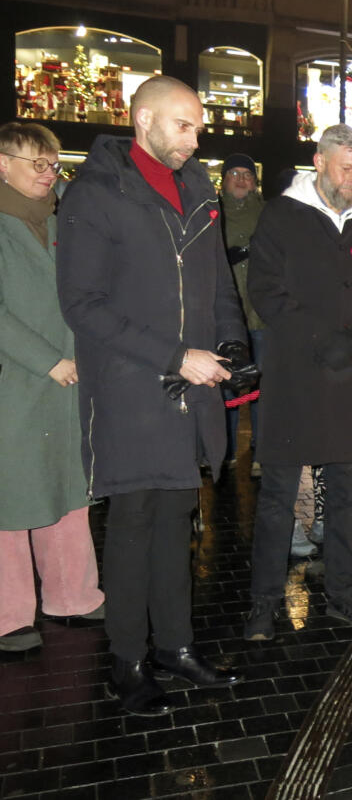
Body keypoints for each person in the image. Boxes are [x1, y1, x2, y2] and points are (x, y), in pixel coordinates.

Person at [57, 76, 245, 715]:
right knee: (134, 527)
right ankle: (127, 659)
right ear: (142, 120)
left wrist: (234, 345)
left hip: (189, 390)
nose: (197, 139)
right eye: (184, 125)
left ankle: (175, 645)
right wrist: (174, 357)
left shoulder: (198, 188)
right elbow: (82, 305)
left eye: (199, 126)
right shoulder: (96, 193)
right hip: (133, 390)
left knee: (177, 524)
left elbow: (218, 283)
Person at [243, 124, 352, 640]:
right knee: (277, 494)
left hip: (350, 375)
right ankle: (263, 602)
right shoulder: (281, 215)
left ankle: (341, 593)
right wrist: (319, 337)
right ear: (319, 160)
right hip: (296, 373)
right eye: (345, 167)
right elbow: (265, 290)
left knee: (344, 494)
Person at [0, 121, 105, 653]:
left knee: (68, 487)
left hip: (69, 377)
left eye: (53, 163)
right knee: (10, 498)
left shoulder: (64, 219)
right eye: (36, 163)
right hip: (15, 382)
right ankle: (9, 616)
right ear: (2, 164)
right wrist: (48, 361)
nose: (48, 173)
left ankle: (74, 595)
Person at [217, 153, 266, 478]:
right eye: (234, 173)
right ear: (223, 180)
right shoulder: (211, 213)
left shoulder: (267, 213)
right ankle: (226, 450)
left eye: (247, 174)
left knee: (261, 387)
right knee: (224, 385)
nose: (240, 179)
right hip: (224, 317)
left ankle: (262, 450)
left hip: (261, 316)